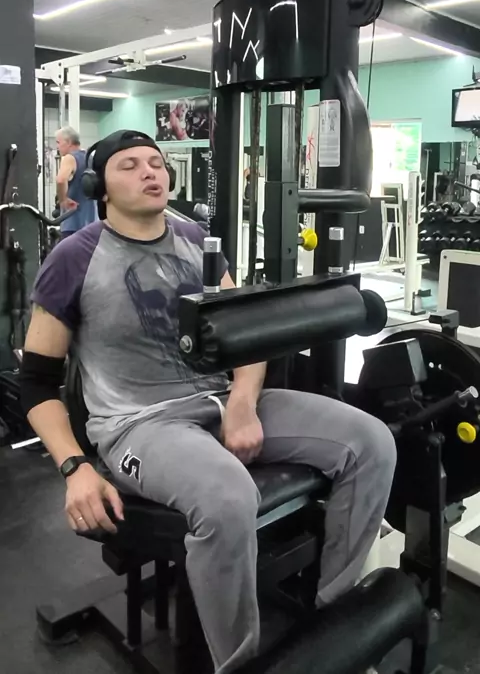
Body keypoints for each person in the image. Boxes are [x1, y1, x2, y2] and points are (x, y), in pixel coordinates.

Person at [20, 129, 396, 674]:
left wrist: (242, 402)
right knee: (227, 497)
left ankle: (333, 623)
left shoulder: (197, 239)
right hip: (139, 424)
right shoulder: (73, 258)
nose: (150, 172)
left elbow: (246, 335)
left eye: (156, 162)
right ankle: (237, 664)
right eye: (130, 165)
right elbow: (36, 382)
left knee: (372, 442)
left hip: (222, 399)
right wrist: (74, 467)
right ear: (99, 186)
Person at [55, 127, 97, 238]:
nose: (57, 147)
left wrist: (63, 200)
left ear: (68, 142)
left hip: (73, 224)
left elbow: (60, 180)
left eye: (58, 142)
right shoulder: (91, 158)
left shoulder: (69, 158)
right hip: (92, 223)